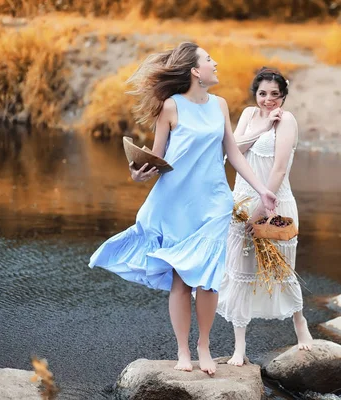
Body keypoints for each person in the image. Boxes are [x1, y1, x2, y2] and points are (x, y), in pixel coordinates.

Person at [88, 43, 277, 375]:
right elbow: (157, 159)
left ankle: (204, 346)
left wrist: (263, 190)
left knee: (208, 280)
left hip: (215, 203)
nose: (215, 62)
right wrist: (137, 172)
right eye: (208, 59)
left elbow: (232, 153)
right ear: (194, 70)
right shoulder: (170, 107)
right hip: (176, 203)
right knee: (181, 280)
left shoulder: (220, 105)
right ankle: (183, 351)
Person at [216, 67, 313, 366]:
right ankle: (239, 348)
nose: (268, 100)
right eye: (262, 93)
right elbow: (233, 150)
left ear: (283, 95)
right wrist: (260, 128)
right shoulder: (247, 115)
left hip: (274, 203)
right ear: (255, 94)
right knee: (240, 271)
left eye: (274, 94)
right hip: (240, 200)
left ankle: (300, 325)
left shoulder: (288, 121)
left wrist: (262, 207)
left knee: (281, 270)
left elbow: (279, 169)